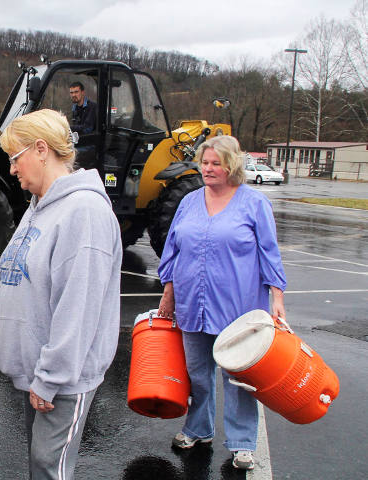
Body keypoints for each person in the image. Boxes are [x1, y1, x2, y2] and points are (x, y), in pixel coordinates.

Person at [0, 109, 121, 480]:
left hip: (62, 378)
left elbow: (78, 308)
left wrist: (51, 379)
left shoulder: (84, 212)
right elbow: (27, 274)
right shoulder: (40, 206)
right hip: (36, 371)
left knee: (49, 469)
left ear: (41, 149)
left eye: (15, 157)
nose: (12, 169)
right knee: (41, 464)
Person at [156, 135, 287, 471]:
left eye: (216, 164)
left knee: (238, 377)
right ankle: (198, 428)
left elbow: (269, 254)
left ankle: (243, 442)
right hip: (191, 304)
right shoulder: (188, 201)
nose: (209, 169)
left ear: (232, 166)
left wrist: (277, 298)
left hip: (237, 308)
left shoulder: (254, 204)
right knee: (197, 373)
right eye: (205, 163)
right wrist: (168, 293)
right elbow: (172, 250)